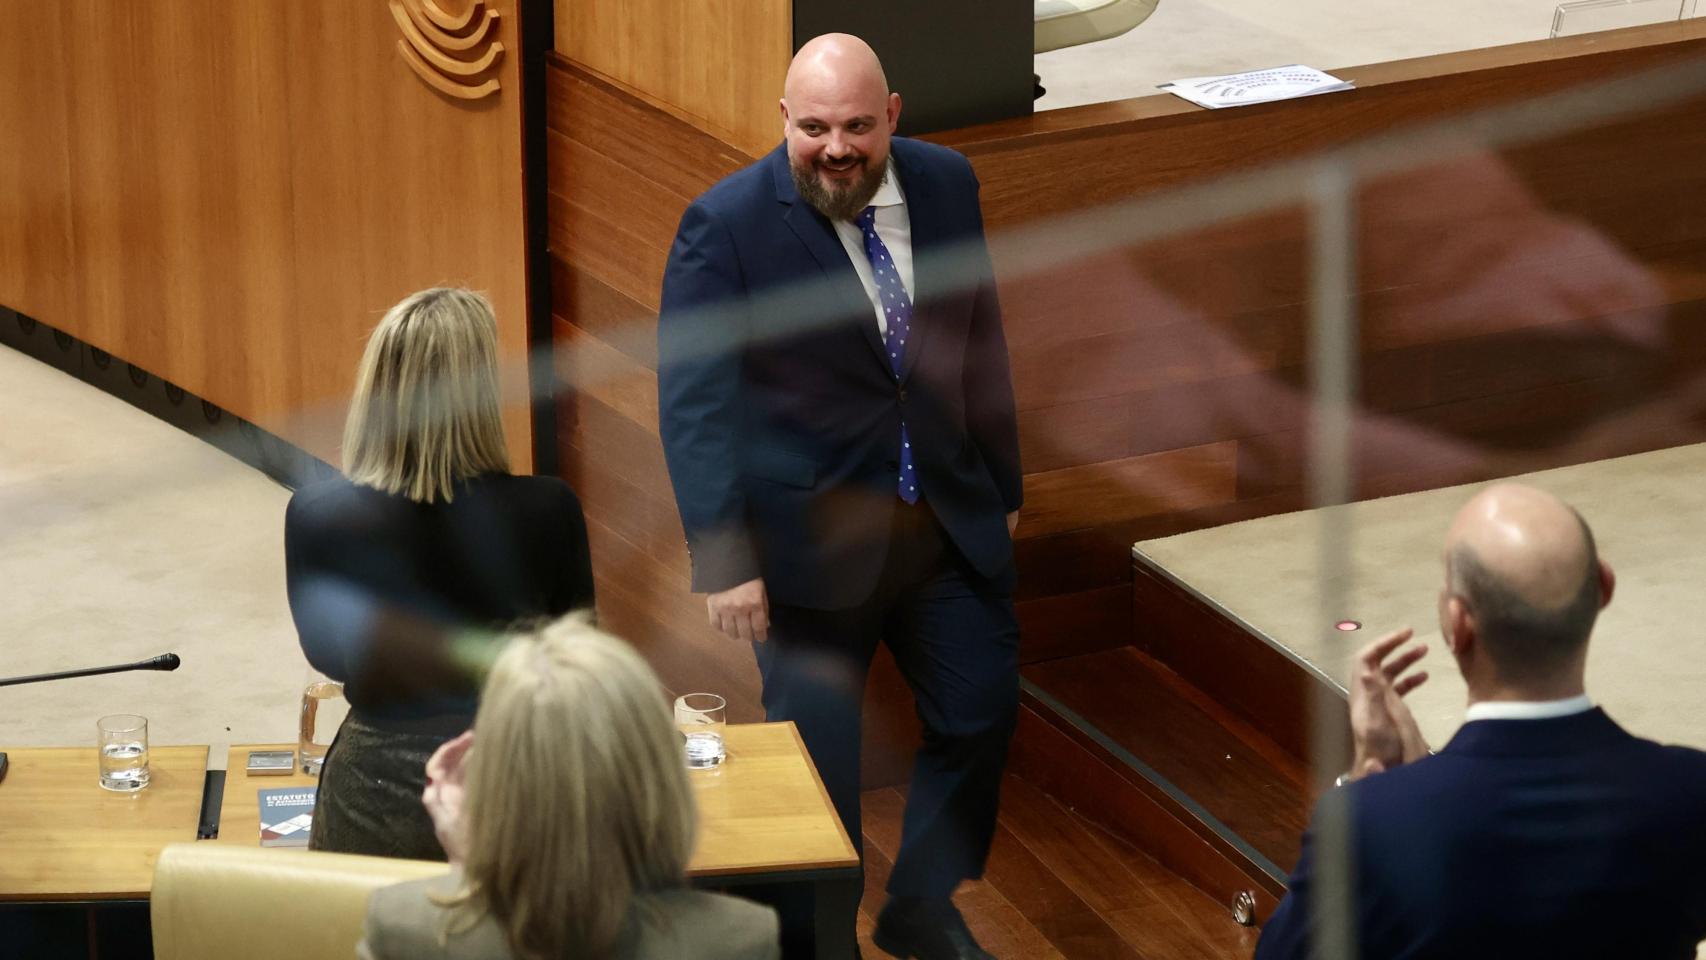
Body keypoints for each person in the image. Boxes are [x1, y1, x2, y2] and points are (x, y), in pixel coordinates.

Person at [656, 32, 1022, 960]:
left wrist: (1002, 482)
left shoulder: (947, 185)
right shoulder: (725, 225)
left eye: (857, 126)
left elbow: (978, 338)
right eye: (813, 126)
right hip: (806, 555)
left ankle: (920, 907)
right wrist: (727, 561)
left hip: (940, 520)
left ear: (891, 116)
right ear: (784, 120)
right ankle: (825, 946)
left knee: (979, 714)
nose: (836, 148)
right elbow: (695, 406)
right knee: (817, 775)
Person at [1256, 483, 1706, 958]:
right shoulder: (1690, 794)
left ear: (1458, 623)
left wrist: (1369, 781)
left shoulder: (1371, 825)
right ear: (1604, 588)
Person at [284, 287, 594, 860]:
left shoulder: (315, 514)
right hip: (513, 777)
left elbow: (330, 658)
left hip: (369, 793)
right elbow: (576, 655)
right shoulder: (549, 508)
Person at [356, 615, 779, 960]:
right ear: (660, 777)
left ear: (495, 782)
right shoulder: (738, 938)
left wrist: (467, 867)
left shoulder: (402, 927)